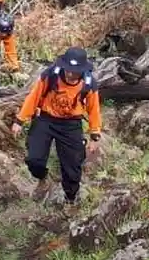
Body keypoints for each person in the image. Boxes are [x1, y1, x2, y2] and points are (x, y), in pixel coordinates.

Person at [12, 47, 102, 210]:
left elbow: (94, 110)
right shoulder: (51, 75)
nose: (70, 74)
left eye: (74, 72)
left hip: (71, 124)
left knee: (72, 165)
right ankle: (42, 177)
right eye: (68, 70)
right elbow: (34, 97)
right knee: (34, 159)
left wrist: (94, 136)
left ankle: (70, 198)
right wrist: (20, 120)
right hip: (46, 119)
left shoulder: (89, 84)